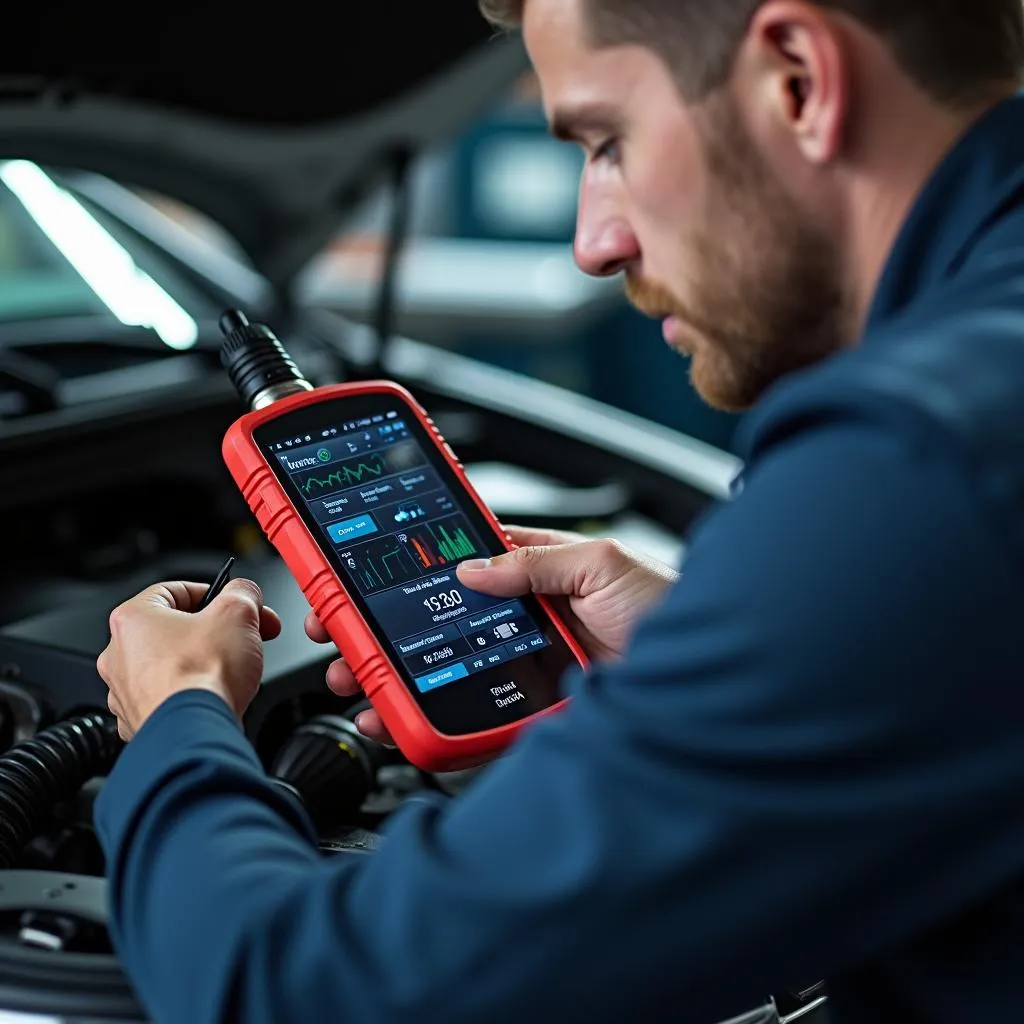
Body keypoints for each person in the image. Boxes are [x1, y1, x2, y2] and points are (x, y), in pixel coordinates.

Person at [95, 1, 1024, 1021]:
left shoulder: (917, 466)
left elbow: (289, 991)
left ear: (798, 78)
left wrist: (176, 721)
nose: (592, 242)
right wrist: (714, 658)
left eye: (607, 142)